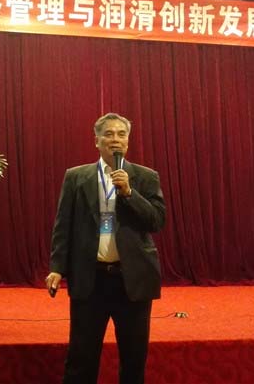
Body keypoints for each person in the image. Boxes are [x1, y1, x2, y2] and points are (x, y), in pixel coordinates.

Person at [46, 112, 166, 384]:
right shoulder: (76, 177)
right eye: (109, 134)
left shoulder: (145, 177)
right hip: (91, 279)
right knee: (81, 358)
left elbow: (157, 221)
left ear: (128, 141)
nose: (115, 139)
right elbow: (63, 225)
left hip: (132, 279)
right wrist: (57, 268)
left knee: (134, 359)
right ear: (96, 141)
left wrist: (129, 193)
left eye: (121, 134)